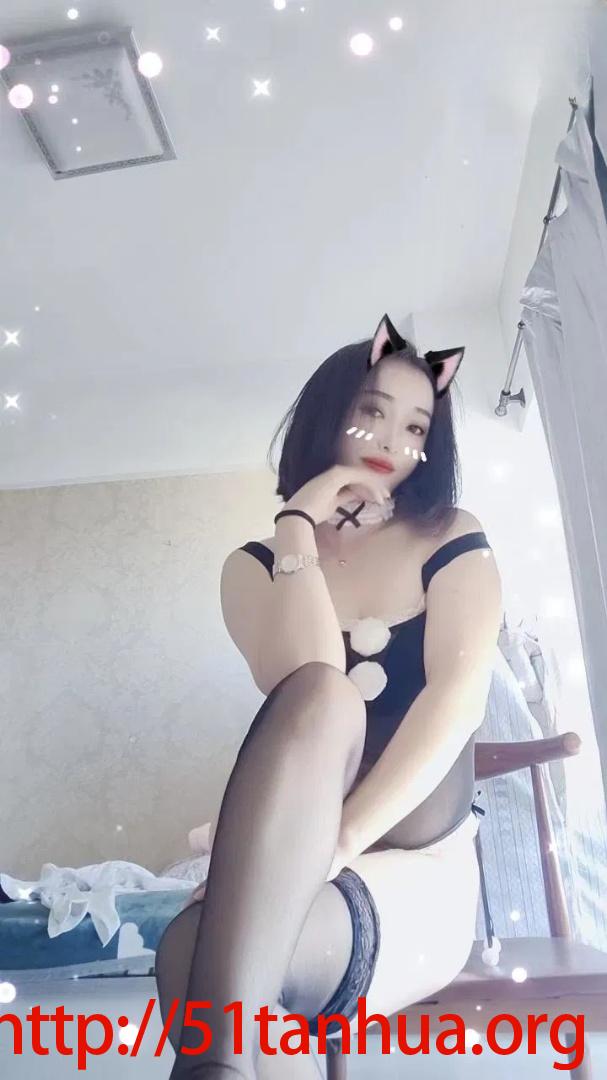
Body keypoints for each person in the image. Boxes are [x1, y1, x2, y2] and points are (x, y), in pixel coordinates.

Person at [154, 314, 503, 1079]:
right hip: (305, 858)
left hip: (420, 862)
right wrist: (296, 527)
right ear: (328, 414)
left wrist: (336, 847)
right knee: (193, 955)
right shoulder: (254, 566)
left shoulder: (452, 533)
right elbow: (310, 683)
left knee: (219, 966)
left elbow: (459, 700)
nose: (390, 440)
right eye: (371, 411)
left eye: (415, 426)